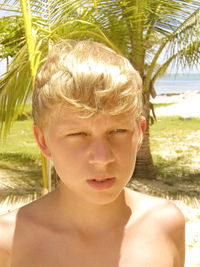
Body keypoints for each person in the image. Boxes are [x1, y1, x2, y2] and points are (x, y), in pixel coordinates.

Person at [0, 40, 185, 267]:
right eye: (78, 134)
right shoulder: (9, 242)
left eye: (118, 131)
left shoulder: (166, 223)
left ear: (139, 132)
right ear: (43, 141)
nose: (102, 157)